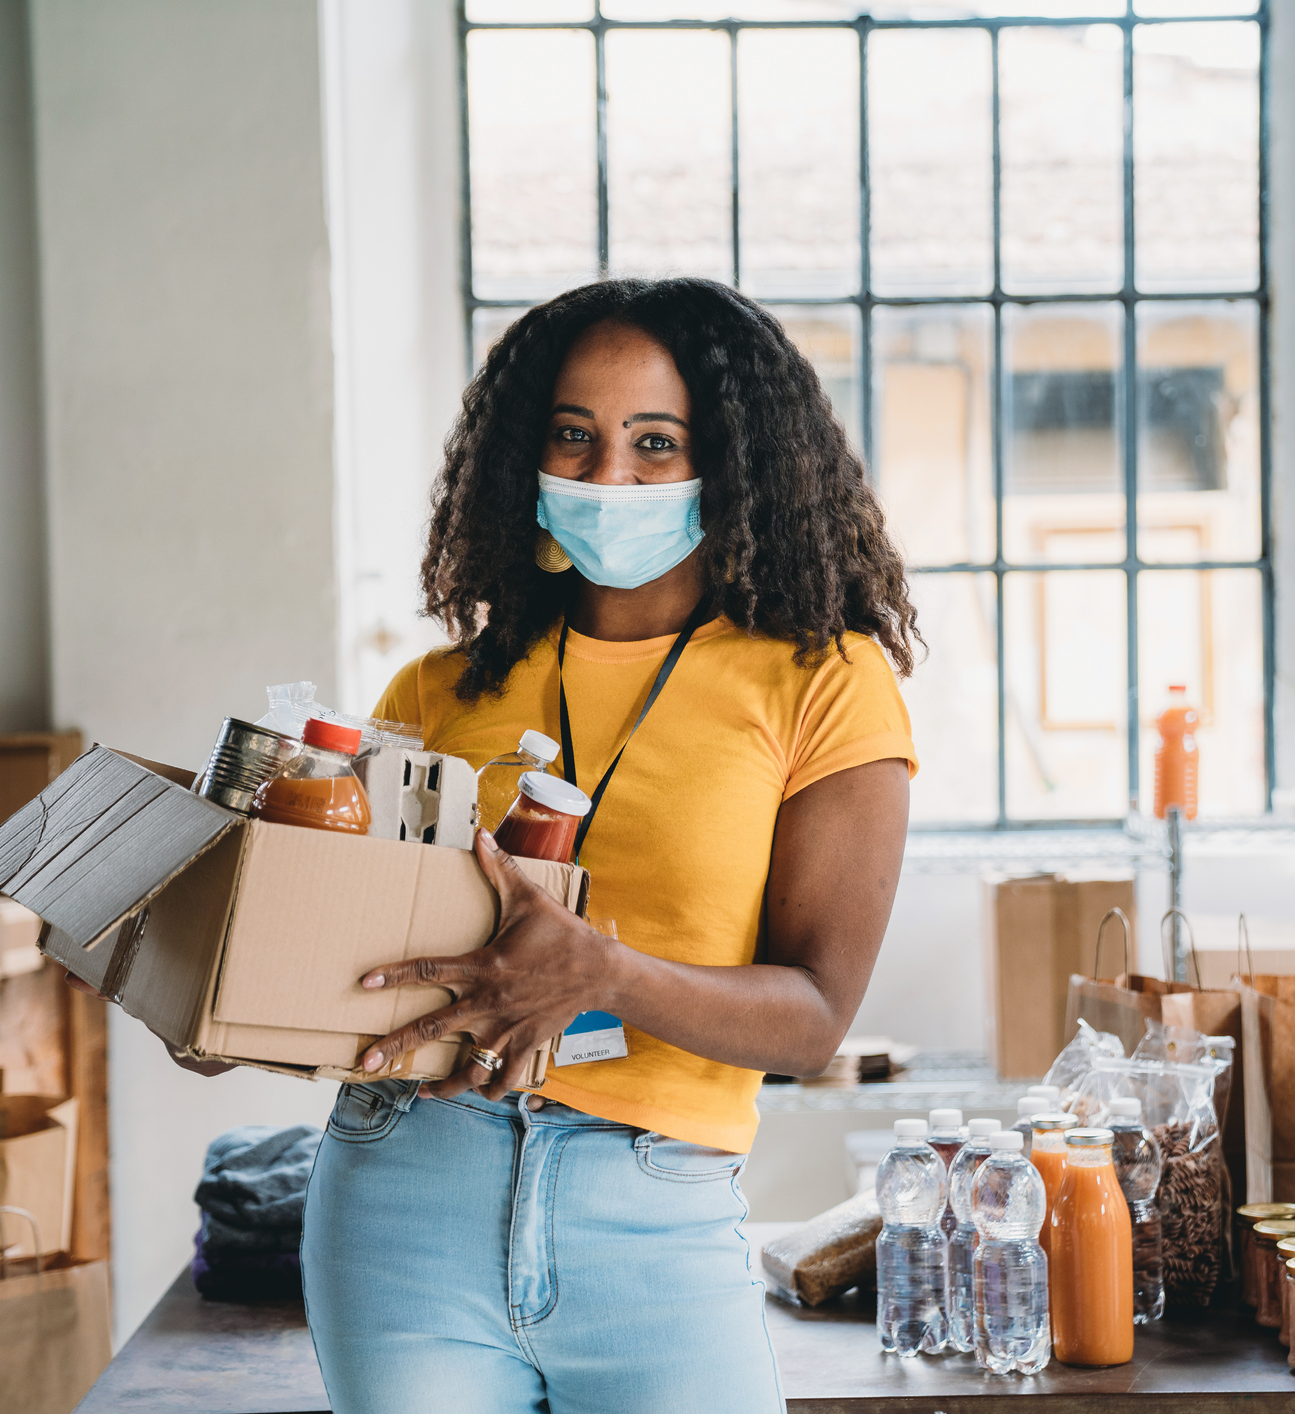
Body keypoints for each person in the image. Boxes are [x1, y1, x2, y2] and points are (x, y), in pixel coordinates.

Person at [299, 277, 921, 1413]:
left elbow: (814, 1013)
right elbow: (360, 964)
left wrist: (605, 974)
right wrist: (234, 1002)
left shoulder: (821, 681)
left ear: (728, 466)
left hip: (649, 1210)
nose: (606, 479)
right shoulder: (435, 692)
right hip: (404, 1190)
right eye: (573, 438)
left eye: (654, 443)